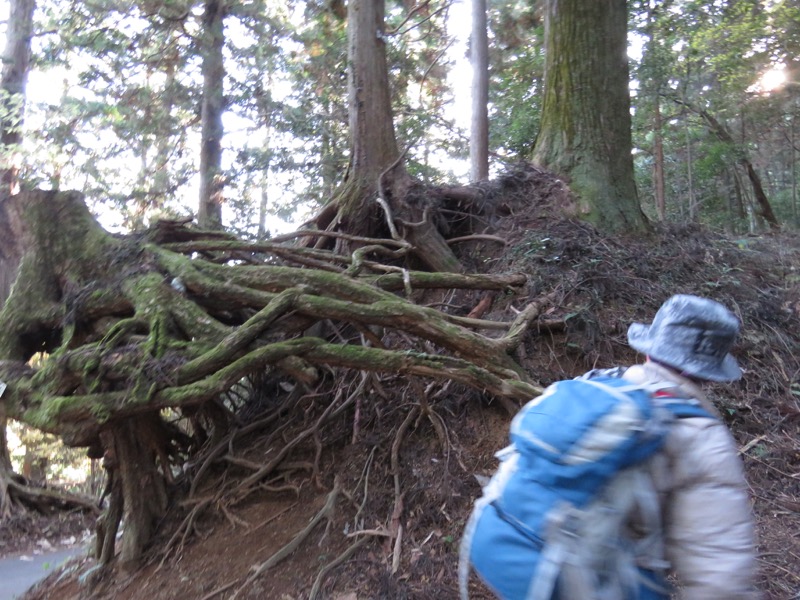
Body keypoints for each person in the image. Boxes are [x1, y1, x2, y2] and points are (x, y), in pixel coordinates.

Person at [461, 294, 757, 599]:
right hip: (572, 578)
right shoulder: (701, 435)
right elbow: (721, 573)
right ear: (710, 373)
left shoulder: (599, 381)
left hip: (499, 542)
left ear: (650, 350)